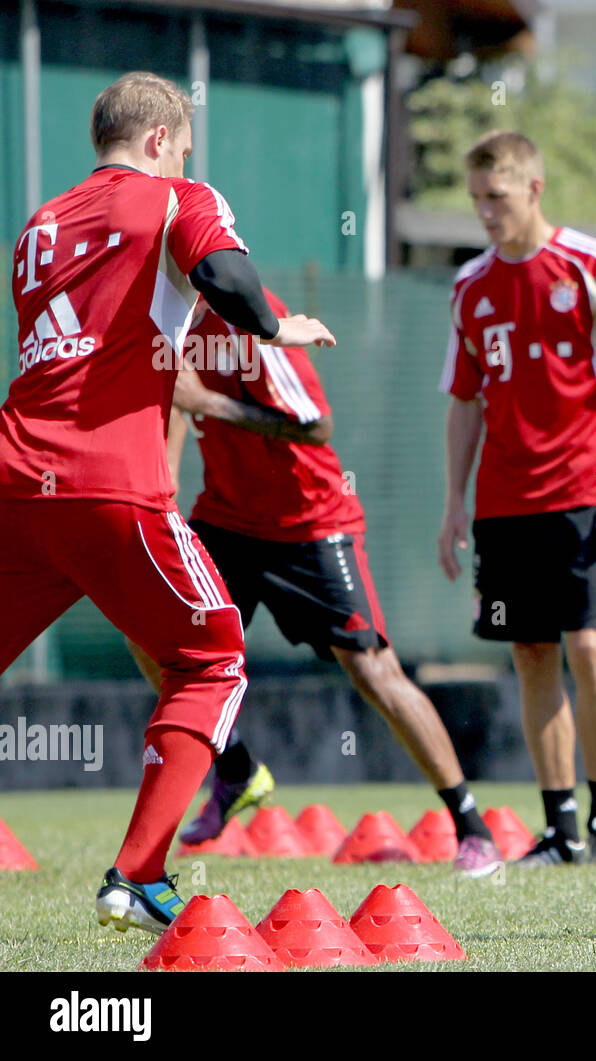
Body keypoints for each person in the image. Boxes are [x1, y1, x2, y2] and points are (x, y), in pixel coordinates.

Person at [0, 72, 334, 935]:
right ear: (159, 140)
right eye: (183, 146)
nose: (187, 160)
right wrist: (273, 326)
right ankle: (140, 874)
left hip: (14, 478)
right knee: (213, 656)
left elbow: (88, 346)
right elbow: (223, 271)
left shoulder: (41, 224)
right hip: (107, 483)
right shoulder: (174, 196)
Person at [125, 286, 504, 878]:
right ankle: (236, 770)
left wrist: (212, 404)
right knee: (156, 637)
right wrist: (164, 498)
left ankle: (472, 825)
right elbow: (173, 408)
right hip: (227, 519)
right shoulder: (164, 324)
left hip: (313, 523)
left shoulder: (249, 316)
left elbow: (316, 426)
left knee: (374, 670)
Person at [439, 131, 596, 868]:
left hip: (585, 494)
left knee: (591, 648)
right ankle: (561, 828)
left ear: (534, 189)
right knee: (531, 655)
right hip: (505, 504)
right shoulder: (469, 285)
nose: (485, 212)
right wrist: (453, 503)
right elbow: (465, 400)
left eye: (496, 197)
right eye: (475, 199)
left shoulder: (593, 263)